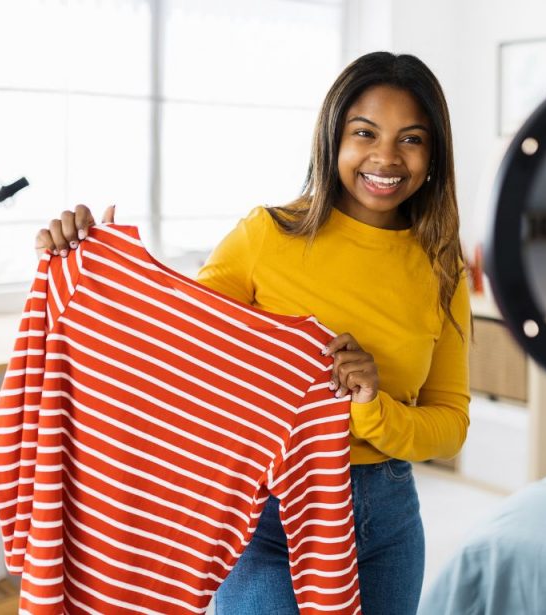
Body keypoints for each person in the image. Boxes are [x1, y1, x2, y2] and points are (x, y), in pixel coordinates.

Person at [34, 51, 470, 615]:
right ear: (333, 140)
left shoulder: (442, 267)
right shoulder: (268, 236)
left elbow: (450, 425)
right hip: (266, 519)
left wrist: (371, 406)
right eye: (365, 133)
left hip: (387, 523)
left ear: (434, 154)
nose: (385, 157)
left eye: (411, 139)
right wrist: (92, 267)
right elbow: (177, 351)